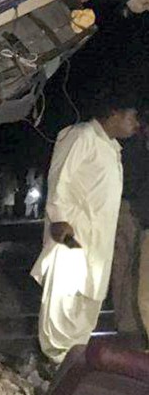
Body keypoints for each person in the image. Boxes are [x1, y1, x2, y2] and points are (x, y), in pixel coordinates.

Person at [30, 97, 141, 363]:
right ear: (114, 113)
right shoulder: (81, 136)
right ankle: (54, 358)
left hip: (99, 239)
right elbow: (60, 177)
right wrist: (59, 219)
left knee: (90, 298)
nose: (136, 124)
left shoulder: (112, 147)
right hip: (73, 234)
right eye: (132, 117)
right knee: (65, 298)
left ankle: (73, 359)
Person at [111, 113, 149, 343]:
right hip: (130, 207)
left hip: (134, 207)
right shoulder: (133, 144)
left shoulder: (131, 143)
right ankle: (128, 324)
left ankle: (130, 323)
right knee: (126, 265)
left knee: (130, 266)